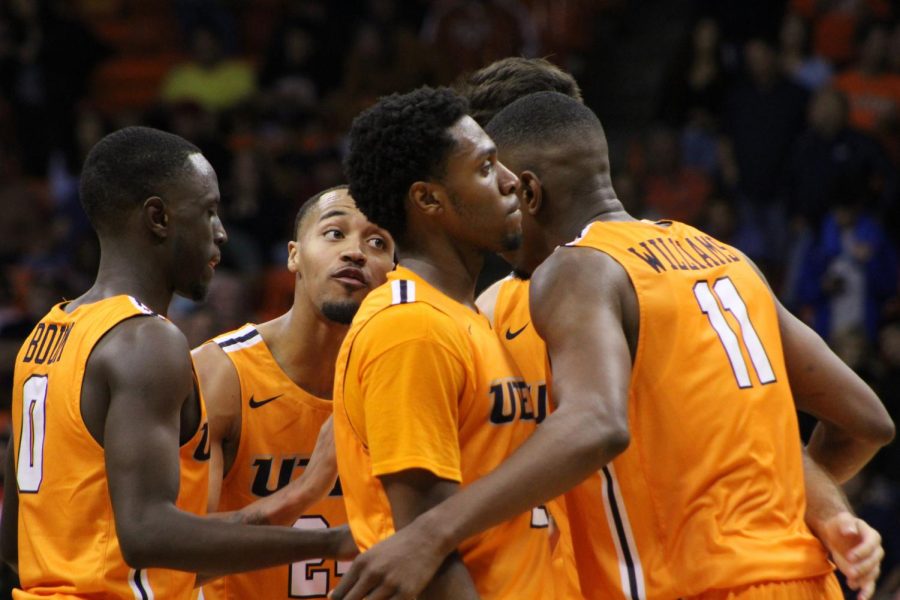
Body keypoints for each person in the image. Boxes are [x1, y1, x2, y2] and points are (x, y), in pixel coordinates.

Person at [330, 92, 895, 600]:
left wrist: (431, 532)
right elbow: (860, 420)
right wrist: (808, 511)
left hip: (689, 586)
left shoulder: (568, 276)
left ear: (530, 190)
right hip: (805, 577)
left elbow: (596, 422)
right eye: (484, 167)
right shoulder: (720, 256)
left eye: (500, 166)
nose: (501, 181)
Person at [0, 127, 354, 599]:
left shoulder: (46, 334)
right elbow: (149, 534)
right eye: (207, 211)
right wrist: (333, 541)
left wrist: (301, 496)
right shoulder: (147, 339)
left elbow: (13, 543)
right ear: (158, 217)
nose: (221, 232)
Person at [333, 86, 557, 599]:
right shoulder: (411, 328)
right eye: (485, 168)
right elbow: (425, 547)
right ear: (429, 199)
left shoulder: (466, 317)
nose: (508, 182)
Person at [193, 185, 395, 599]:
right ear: (293, 255)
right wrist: (306, 489)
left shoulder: (401, 378)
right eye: (334, 233)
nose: (356, 251)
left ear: (396, 270)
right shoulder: (220, 373)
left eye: (377, 242)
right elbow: (174, 564)